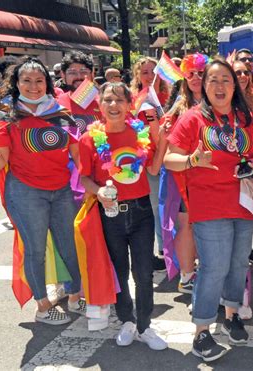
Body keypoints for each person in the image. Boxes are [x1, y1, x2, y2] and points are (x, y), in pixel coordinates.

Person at [164, 58, 253, 362]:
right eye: (213, 80)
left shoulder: (247, 118)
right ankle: (201, 331)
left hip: (244, 203)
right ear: (203, 86)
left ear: (234, 85)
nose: (220, 86)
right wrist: (192, 161)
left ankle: (232, 313)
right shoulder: (193, 119)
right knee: (213, 268)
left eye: (225, 79)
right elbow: (170, 158)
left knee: (238, 264)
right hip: (208, 204)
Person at [0, 57, 85, 325]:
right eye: (26, 80)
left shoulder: (60, 111)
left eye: (39, 80)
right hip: (26, 193)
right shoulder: (7, 115)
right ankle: (42, 305)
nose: (33, 86)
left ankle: (74, 296)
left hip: (62, 190)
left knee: (68, 245)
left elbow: (78, 151)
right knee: (35, 250)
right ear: (16, 83)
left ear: (47, 83)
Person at [79, 82, 168, 350]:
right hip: (110, 213)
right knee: (118, 270)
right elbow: (84, 177)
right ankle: (126, 321)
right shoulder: (89, 139)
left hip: (141, 212)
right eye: (108, 100)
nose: (114, 105)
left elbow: (153, 170)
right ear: (100, 106)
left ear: (130, 105)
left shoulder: (140, 134)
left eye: (119, 100)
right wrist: (99, 192)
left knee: (142, 272)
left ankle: (145, 325)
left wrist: (161, 141)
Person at [161, 53, 207, 294]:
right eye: (191, 73)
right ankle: (187, 276)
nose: (196, 78)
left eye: (201, 72)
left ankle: (203, 270)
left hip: (211, 176)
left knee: (207, 225)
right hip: (183, 176)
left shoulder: (220, 102)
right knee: (186, 225)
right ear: (183, 77)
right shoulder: (177, 108)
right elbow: (165, 146)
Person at [131, 57, 170, 272]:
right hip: (152, 162)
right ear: (138, 75)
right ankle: (164, 250)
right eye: (144, 72)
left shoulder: (169, 98)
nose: (149, 76)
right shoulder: (138, 101)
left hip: (172, 158)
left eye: (153, 71)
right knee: (158, 208)